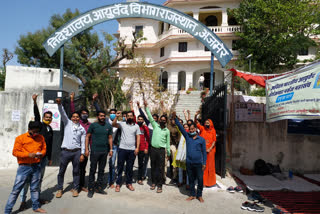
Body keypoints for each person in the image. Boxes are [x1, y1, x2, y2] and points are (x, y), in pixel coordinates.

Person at [19, 94, 53, 211]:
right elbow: (37, 115)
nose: (48, 119)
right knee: (27, 180)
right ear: (43, 117)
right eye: (46, 117)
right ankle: (23, 201)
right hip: (32, 158)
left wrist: (49, 157)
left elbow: (50, 144)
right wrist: (34, 102)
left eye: (49, 118)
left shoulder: (50, 129)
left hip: (43, 159)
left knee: (39, 179)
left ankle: (37, 198)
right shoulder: (40, 126)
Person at [5, 121, 47, 214]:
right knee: (16, 189)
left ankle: (36, 207)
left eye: (37, 132)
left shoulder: (41, 138)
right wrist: (28, 155)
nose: (36, 133)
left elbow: (44, 148)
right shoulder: (20, 138)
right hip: (24, 167)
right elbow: (15, 152)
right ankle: (7, 211)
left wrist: (41, 154)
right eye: (34, 131)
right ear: (29, 129)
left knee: (35, 188)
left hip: (36, 166)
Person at [172, 112, 207, 203]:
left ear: (195, 129)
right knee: (191, 179)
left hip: (199, 163)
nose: (191, 130)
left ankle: (199, 195)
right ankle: (192, 194)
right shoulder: (187, 137)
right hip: (189, 162)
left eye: (192, 129)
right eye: (190, 129)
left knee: (200, 179)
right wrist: (175, 118)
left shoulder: (201, 140)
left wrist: (204, 163)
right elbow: (180, 127)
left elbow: (204, 152)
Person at [55, 98, 86, 198]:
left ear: (79, 118)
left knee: (76, 172)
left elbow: (83, 142)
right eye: (74, 117)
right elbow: (62, 112)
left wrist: (82, 153)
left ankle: (75, 189)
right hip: (65, 152)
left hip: (76, 152)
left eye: (77, 117)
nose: (75, 118)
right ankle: (60, 189)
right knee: (61, 171)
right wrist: (59, 104)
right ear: (71, 117)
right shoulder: (67, 123)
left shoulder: (82, 129)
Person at [92, 93, 121, 189]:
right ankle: (96, 182)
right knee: (100, 165)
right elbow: (99, 110)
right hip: (105, 146)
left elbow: (114, 124)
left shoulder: (119, 123)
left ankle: (111, 181)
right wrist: (95, 101)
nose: (113, 114)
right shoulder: (106, 120)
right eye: (111, 113)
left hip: (114, 146)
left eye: (115, 113)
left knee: (112, 164)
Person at [144, 100, 170, 193]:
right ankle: (153, 183)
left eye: (164, 120)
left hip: (161, 151)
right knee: (153, 166)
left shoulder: (167, 131)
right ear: (159, 120)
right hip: (153, 149)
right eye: (161, 120)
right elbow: (150, 117)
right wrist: (146, 107)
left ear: (166, 121)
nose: (162, 121)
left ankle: (160, 185)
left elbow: (167, 142)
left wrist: (168, 152)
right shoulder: (155, 126)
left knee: (160, 168)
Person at [85, 111, 113, 198]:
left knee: (101, 170)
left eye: (104, 116)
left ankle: (99, 187)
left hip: (104, 151)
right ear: (97, 116)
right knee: (93, 170)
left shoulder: (108, 126)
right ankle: (90, 189)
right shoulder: (93, 125)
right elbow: (87, 136)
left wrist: (111, 149)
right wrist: (87, 149)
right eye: (101, 116)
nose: (102, 117)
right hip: (94, 151)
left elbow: (110, 138)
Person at [112, 110, 141, 192]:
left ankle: (129, 183)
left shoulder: (136, 126)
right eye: (127, 116)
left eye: (130, 116)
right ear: (126, 117)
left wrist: (137, 148)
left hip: (132, 150)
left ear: (133, 116)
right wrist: (116, 117)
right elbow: (113, 124)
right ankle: (118, 184)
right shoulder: (122, 124)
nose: (129, 117)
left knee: (130, 167)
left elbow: (138, 137)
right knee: (120, 167)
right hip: (122, 149)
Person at [70, 92, 91, 193]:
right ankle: (75, 186)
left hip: (85, 149)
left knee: (82, 168)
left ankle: (81, 185)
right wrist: (72, 101)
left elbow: (90, 138)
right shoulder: (77, 122)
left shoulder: (90, 125)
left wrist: (88, 149)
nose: (84, 115)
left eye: (85, 113)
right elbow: (73, 112)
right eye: (82, 113)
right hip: (75, 148)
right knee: (76, 168)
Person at [137, 101, 159, 180]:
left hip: (155, 146)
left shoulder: (159, 126)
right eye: (153, 118)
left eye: (155, 118)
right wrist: (139, 107)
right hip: (148, 145)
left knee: (154, 162)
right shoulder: (149, 123)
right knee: (145, 161)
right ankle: (143, 175)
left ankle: (154, 176)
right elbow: (143, 115)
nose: (154, 119)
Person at [194, 110, 217, 187]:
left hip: (210, 151)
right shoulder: (202, 128)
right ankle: (203, 182)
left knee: (210, 166)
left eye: (208, 123)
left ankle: (210, 182)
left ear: (211, 124)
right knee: (203, 166)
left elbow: (214, 141)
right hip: (202, 150)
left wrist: (210, 149)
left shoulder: (213, 130)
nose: (206, 124)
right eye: (206, 123)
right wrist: (195, 116)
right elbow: (196, 123)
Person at [172, 123, 189, 187]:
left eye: (186, 127)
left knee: (188, 170)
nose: (185, 128)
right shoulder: (181, 134)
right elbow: (178, 127)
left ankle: (188, 183)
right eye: (184, 127)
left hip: (187, 154)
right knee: (180, 169)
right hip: (180, 153)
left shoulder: (190, 135)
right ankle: (180, 181)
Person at [136, 115, 150, 185]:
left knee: (141, 164)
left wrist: (146, 148)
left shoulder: (145, 128)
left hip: (142, 148)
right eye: (139, 119)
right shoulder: (135, 126)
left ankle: (139, 178)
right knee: (130, 163)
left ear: (143, 121)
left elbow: (147, 139)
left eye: (141, 119)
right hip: (134, 148)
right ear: (137, 120)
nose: (140, 120)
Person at [167, 118, 181, 182]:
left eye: (175, 120)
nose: (173, 121)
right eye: (172, 120)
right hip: (167, 145)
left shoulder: (177, 128)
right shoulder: (168, 126)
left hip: (173, 145)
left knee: (174, 161)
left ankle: (174, 176)